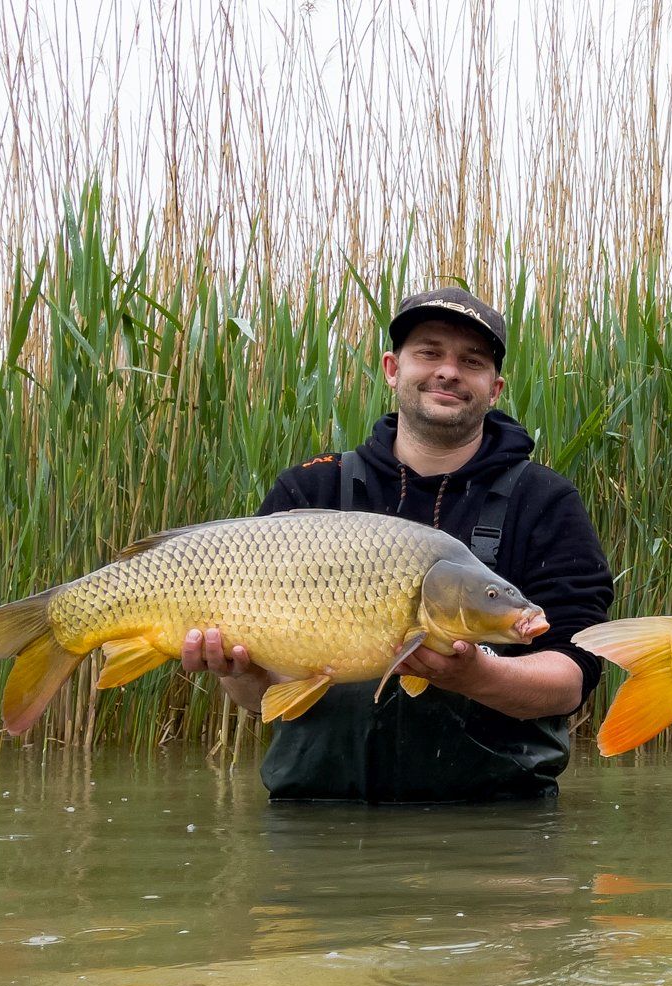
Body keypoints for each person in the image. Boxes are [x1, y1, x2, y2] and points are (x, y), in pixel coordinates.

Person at [182, 287, 614, 802]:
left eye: (471, 361)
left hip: (496, 831)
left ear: (494, 388)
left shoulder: (544, 500)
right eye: (429, 352)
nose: (448, 371)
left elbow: (570, 677)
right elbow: (260, 698)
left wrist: (478, 675)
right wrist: (237, 671)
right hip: (316, 820)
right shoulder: (310, 490)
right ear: (392, 368)